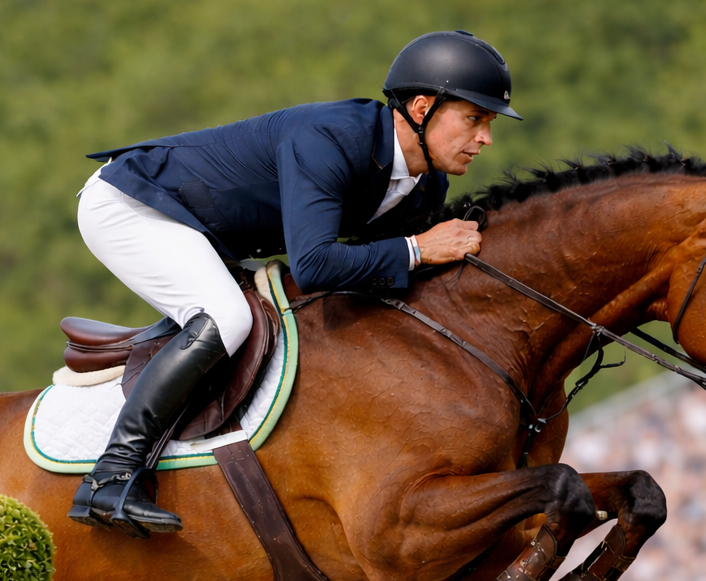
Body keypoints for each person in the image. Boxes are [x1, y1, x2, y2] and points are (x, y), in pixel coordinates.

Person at [68, 29, 521, 537]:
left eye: (488, 123)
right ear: (420, 107)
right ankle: (112, 475)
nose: (485, 138)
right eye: (474, 119)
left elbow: (386, 276)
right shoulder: (330, 139)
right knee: (227, 316)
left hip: (204, 232)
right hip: (132, 206)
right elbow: (315, 266)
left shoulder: (426, 183)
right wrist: (418, 248)